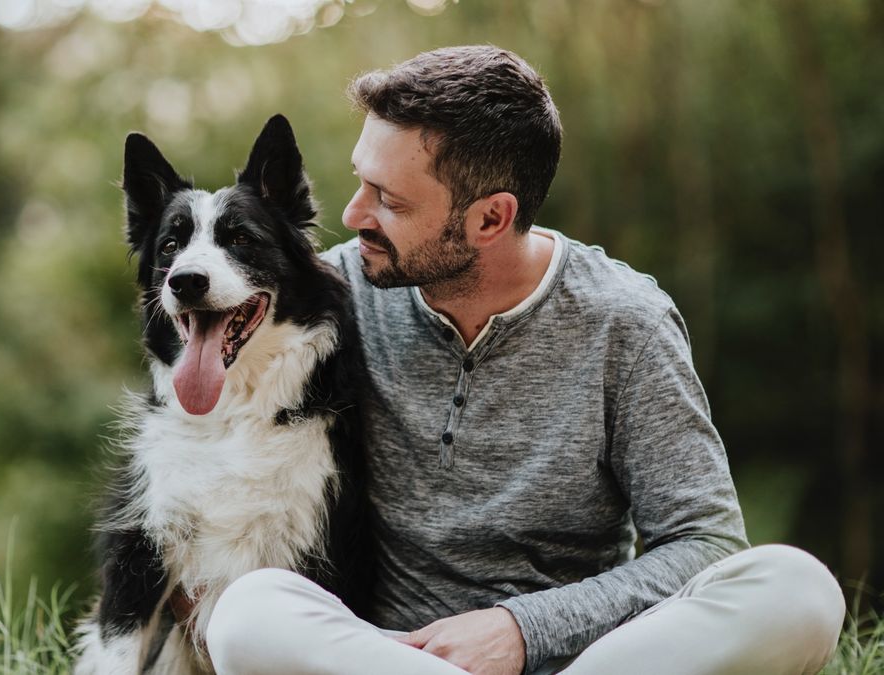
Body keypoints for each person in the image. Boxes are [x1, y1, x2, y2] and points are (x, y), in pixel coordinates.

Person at [203, 46, 847, 675]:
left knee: (798, 591)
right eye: (360, 180)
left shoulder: (625, 323)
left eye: (389, 200)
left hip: (590, 659)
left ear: (490, 218)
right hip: (388, 655)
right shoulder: (332, 294)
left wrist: (523, 629)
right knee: (249, 612)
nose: (353, 215)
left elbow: (705, 543)